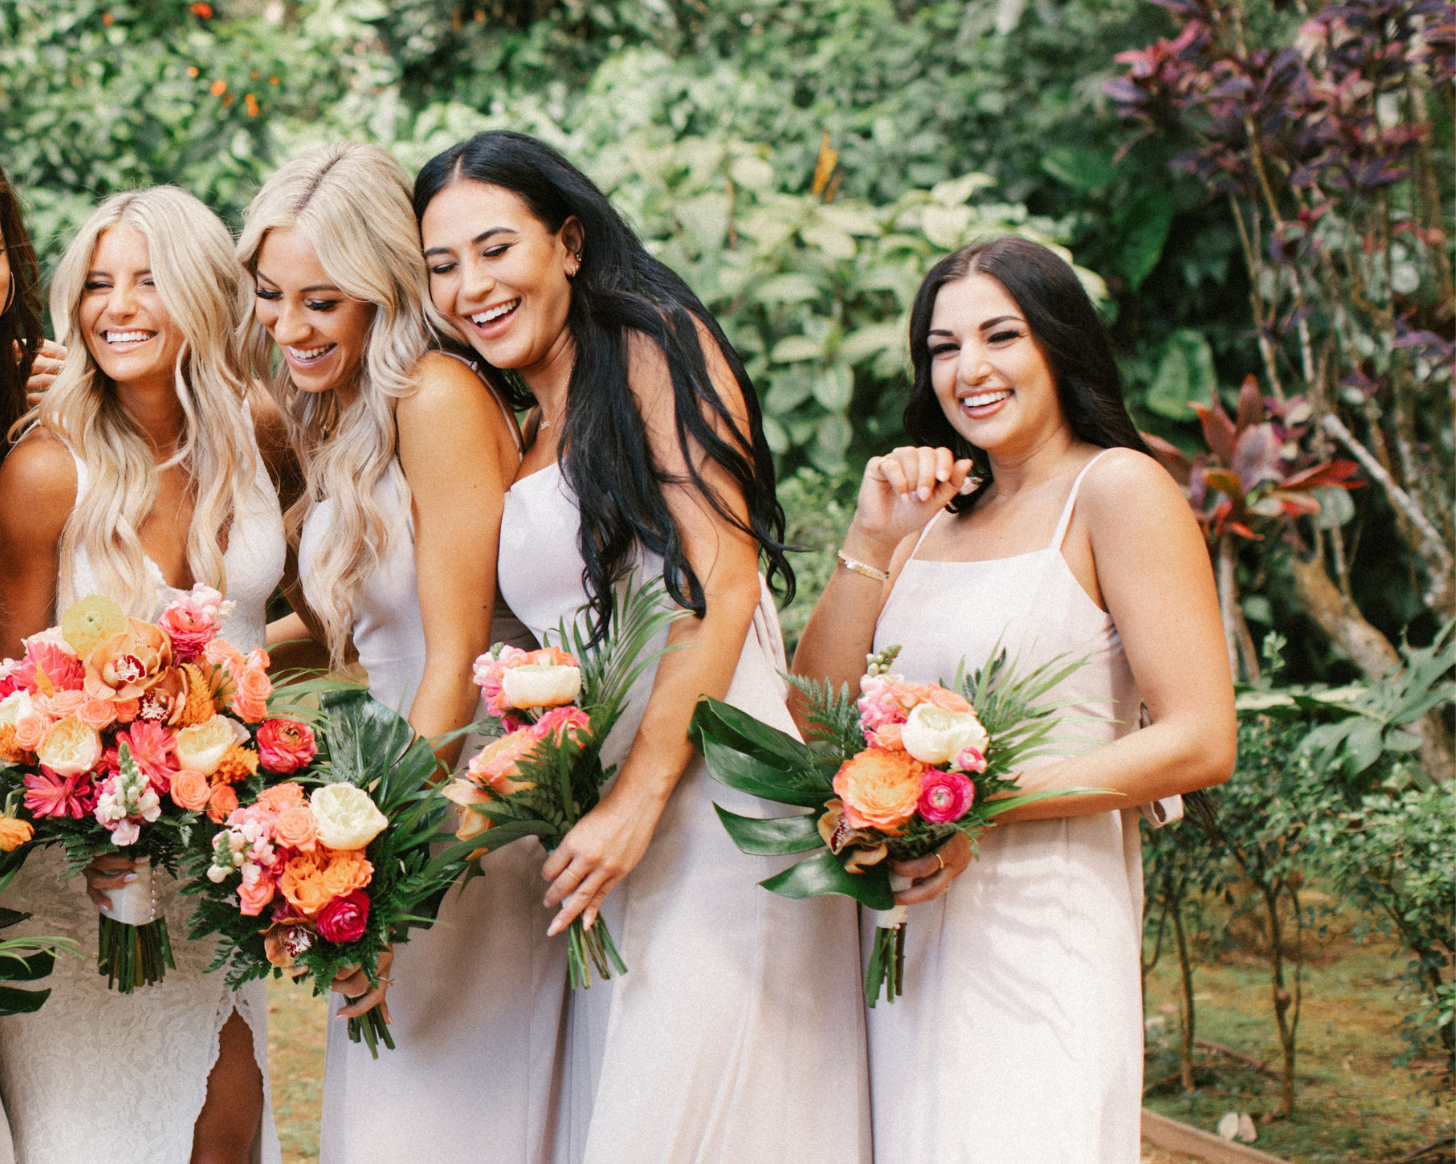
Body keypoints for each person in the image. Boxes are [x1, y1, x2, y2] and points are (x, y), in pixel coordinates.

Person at [415, 130, 870, 1163]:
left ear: (568, 241)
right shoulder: (521, 422)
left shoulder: (652, 344)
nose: (470, 287)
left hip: (712, 808)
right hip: (605, 839)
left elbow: (720, 577)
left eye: (495, 249)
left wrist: (637, 800)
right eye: (441, 267)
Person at [789, 235, 1235, 1164]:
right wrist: (873, 536)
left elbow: (1200, 740)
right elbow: (814, 718)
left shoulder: (1117, 490)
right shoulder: (931, 518)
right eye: (944, 348)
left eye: (1001, 336)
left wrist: (970, 805)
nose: (970, 369)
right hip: (904, 937)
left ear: (1058, 344)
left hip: (1042, 933)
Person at [235, 142, 561, 1163]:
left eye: (320, 301)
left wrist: (370, 868)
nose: (288, 327)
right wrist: (221, 676)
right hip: (394, 773)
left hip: (455, 798)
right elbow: (364, 627)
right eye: (269, 295)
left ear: (382, 289)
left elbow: (458, 648)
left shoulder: (436, 395)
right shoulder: (352, 413)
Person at [0, 186, 286, 1164]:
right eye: (98, 284)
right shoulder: (45, 473)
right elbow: (9, 696)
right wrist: (90, 822)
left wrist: (249, 719)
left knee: (224, 1131)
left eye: (146, 280)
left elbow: (321, 605)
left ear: (199, 291)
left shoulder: (258, 431)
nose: (115, 306)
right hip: (78, 876)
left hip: (214, 863)